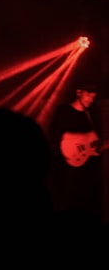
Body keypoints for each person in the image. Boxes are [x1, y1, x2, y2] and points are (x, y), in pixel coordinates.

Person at [46, 82, 104, 226]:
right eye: (88, 96)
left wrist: (98, 147)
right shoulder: (63, 110)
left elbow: (93, 147)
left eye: (93, 98)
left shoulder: (89, 116)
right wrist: (83, 138)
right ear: (78, 92)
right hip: (66, 173)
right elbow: (55, 136)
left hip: (84, 173)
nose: (90, 100)